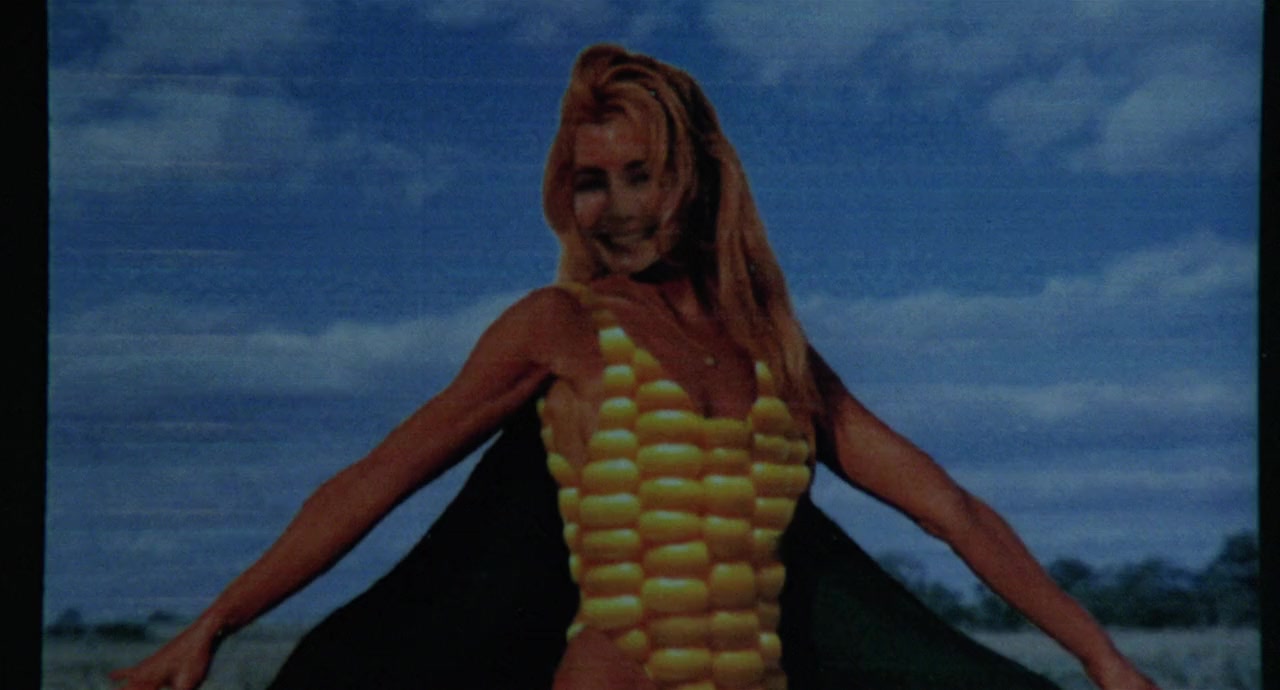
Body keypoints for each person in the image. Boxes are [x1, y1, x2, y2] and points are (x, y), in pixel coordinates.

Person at [111, 45, 1159, 690]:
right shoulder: (558, 329)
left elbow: (951, 511)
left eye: (640, 175)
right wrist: (215, 623)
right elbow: (376, 479)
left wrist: (1100, 657)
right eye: (589, 181)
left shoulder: (779, 356)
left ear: (696, 178)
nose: (611, 209)